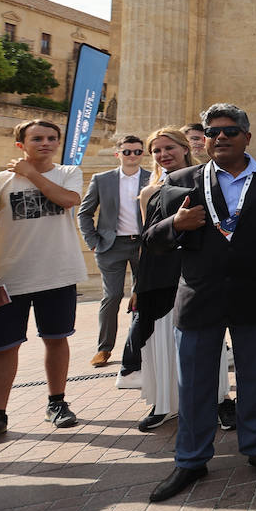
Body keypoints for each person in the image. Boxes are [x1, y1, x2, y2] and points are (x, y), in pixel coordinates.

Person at [143, 104, 256, 501]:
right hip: (199, 299)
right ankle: (190, 460)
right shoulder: (179, 181)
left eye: (230, 131)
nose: (221, 137)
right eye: (213, 132)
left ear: (247, 137)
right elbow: (149, 240)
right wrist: (175, 224)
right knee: (195, 385)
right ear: (204, 139)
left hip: (255, 299)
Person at [0, 121, 88, 446]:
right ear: (20, 144)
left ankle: (57, 403)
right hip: (9, 278)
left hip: (58, 273)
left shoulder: (69, 172)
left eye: (51, 138)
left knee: (56, 340)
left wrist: (31, 173)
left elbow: (68, 200)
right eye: (37, 138)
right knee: (3, 348)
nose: (46, 143)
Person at [129, 127, 231, 432]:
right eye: (156, 151)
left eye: (169, 148)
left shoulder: (207, 181)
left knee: (204, 341)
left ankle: (219, 399)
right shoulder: (148, 192)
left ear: (185, 147)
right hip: (158, 274)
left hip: (195, 272)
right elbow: (147, 239)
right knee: (159, 340)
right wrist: (136, 286)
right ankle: (163, 403)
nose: (163, 155)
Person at [77, 134, 151, 372]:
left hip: (144, 245)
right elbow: (85, 213)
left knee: (144, 296)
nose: (132, 156)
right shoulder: (102, 179)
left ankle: (138, 347)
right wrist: (93, 242)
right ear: (117, 153)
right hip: (110, 246)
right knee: (112, 296)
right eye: (127, 151)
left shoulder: (153, 179)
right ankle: (104, 347)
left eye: (137, 151)